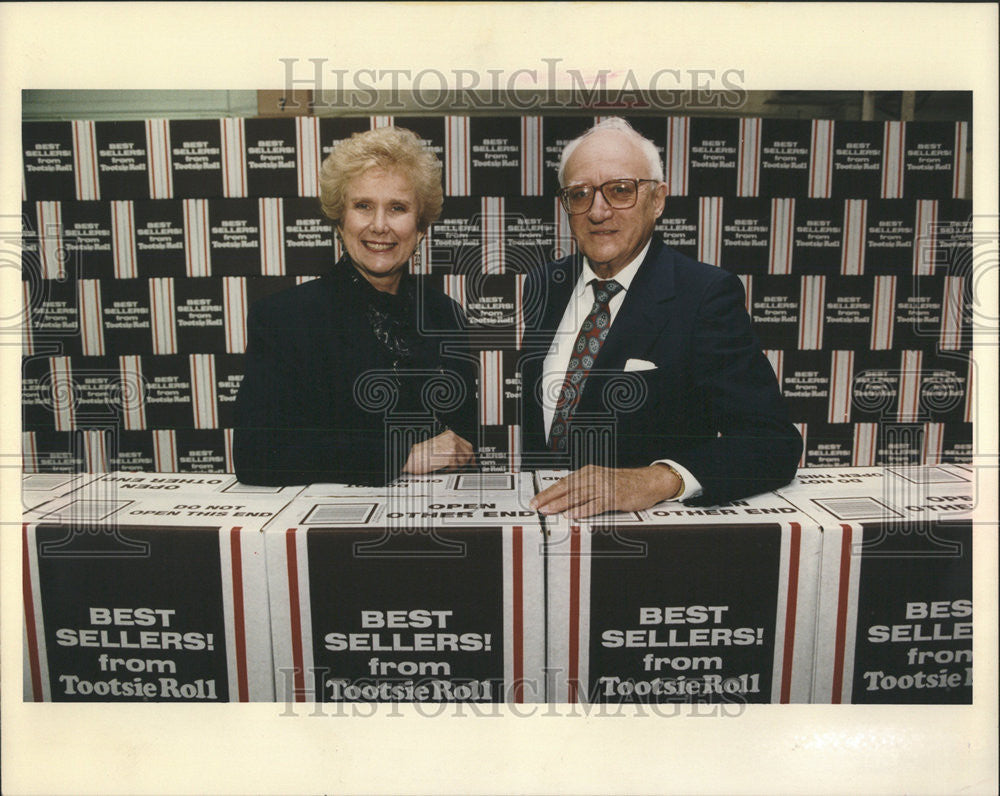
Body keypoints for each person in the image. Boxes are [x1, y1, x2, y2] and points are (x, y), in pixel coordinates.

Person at [523, 118, 801, 517]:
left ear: (657, 200)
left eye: (620, 190)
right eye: (580, 194)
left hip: (649, 542)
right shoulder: (545, 284)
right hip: (541, 532)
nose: (598, 211)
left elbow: (772, 442)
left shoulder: (704, 295)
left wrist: (656, 480)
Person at [234, 126, 476, 486]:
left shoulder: (446, 315)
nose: (379, 226)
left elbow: (462, 447)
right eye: (363, 206)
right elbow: (257, 454)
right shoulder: (284, 317)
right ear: (339, 220)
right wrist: (401, 455)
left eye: (397, 208)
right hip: (329, 533)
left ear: (421, 226)